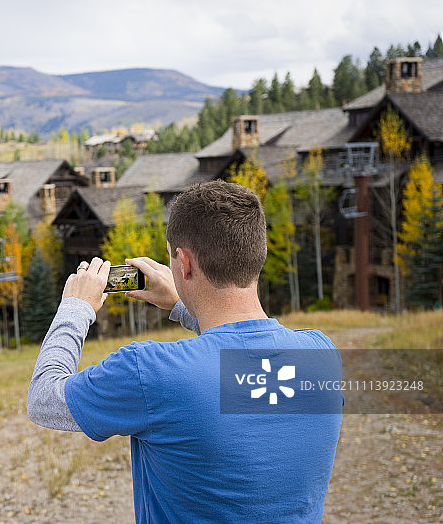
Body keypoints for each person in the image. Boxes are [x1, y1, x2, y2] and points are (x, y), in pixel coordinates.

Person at [27, 180, 342, 523]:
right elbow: (234, 349)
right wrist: (181, 303)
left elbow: (43, 399)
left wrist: (76, 308)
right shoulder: (322, 355)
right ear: (256, 254)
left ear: (184, 263)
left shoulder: (150, 372)